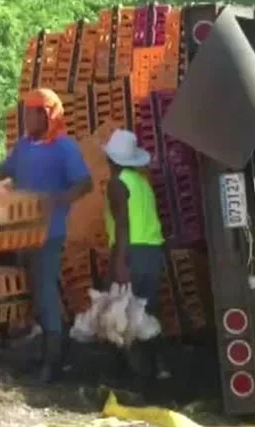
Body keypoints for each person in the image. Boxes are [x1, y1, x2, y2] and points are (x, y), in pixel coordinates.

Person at [0, 88, 93, 383]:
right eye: (25, 111)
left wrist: (58, 200)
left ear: (48, 115)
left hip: (48, 235)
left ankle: (52, 362)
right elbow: (6, 169)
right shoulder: (25, 145)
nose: (26, 117)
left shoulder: (64, 148)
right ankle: (41, 353)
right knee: (28, 293)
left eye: (32, 112)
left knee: (44, 292)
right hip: (20, 235)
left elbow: (85, 183)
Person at [103, 128, 171, 383]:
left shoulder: (117, 183)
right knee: (147, 311)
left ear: (110, 160)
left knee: (118, 312)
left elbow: (123, 223)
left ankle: (129, 374)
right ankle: (161, 367)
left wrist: (119, 263)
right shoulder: (142, 183)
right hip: (152, 253)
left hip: (130, 252)